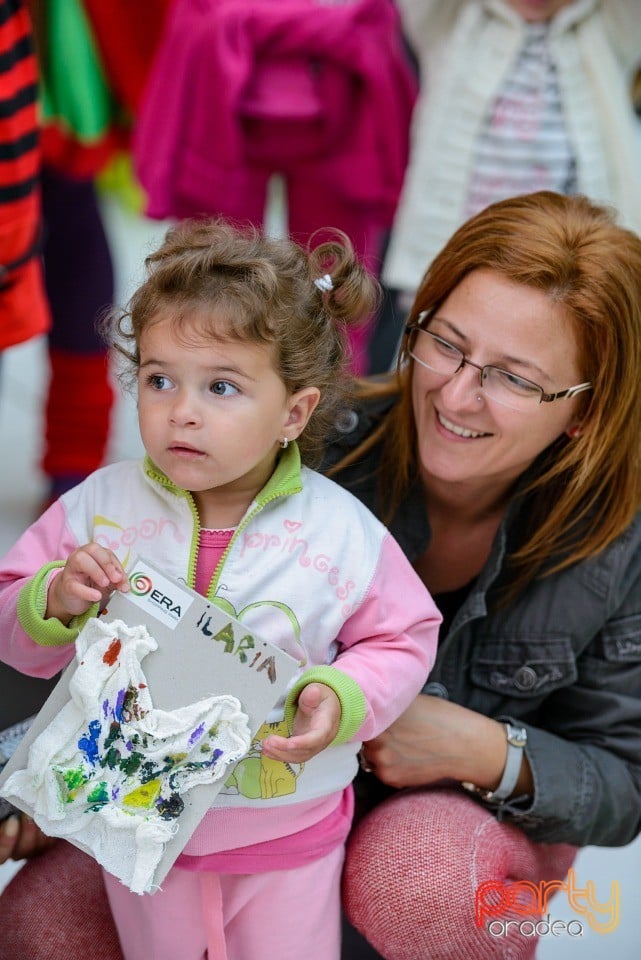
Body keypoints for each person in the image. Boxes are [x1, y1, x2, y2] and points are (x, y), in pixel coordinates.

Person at [0, 217, 440, 960]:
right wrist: (53, 599)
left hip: (286, 834)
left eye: (223, 386)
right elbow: (12, 613)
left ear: (292, 414)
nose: (183, 410)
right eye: (159, 379)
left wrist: (342, 692)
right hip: (131, 823)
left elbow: (402, 635)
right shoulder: (95, 510)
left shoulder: (342, 534)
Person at [326, 190, 641, 959]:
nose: (456, 394)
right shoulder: (313, 451)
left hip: (484, 829)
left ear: (582, 413)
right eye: (445, 343)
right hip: (283, 806)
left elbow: (624, 790)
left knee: (424, 879)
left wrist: (484, 750)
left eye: (513, 378)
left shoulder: (620, 543)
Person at [379, 0, 641, 338]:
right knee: (438, 351)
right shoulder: (451, 23)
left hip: (568, 273)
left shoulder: (609, 28)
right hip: (449, 256)